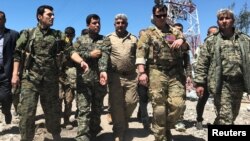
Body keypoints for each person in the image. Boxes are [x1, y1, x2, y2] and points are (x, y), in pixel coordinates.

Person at [11, 5, 88, 141]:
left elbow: (70, 51)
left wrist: (80, 61)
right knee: (27, 114)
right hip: (30, 79)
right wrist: (15, 75)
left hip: (50, 81)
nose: (52, 17)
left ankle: (56, 136)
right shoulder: (28, 33)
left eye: (53, 15)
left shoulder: (59, 35)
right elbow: (17, 54)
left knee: (53, 113)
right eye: (49, 15)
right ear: (40, 17)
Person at [136, 4, 188, 141]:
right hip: (156, 71)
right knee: (159, 108)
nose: (162, 17)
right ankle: (160, 137)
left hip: (174, 72)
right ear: (154, 16)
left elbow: (186, 47)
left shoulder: (175, 31)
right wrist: (142, 73)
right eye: (159, 15)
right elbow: (140, 55)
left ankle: (166, 128)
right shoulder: (148, 33)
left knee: (178, 105)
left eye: (164, 15)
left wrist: (181, 40)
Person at [194, 8, 250, 125]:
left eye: (227, 18)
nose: (224, 21)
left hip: (238, 83)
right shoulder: (212, 40)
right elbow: (202, 63)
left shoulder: (244, 39)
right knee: (226, 119)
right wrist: (200, 83)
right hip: (221, 84)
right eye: (221, 19)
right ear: (217, 22)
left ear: (233, 20)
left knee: (232, 115)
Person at [70, 14, 111, 141]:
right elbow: (72, 53)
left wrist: (103, 71)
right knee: (83, 110)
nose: (97, 25)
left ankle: (94, 132)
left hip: (99, 81)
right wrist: (89, 55)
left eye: (98, 23)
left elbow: (104, 55)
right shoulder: (80, 40)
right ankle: (82, 137)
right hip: (83, 81)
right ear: (88, 25)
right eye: (94, 23)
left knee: (97, 110)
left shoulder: (104, 40)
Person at [107, 13, 138, 141]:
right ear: (114, 24)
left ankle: (123, 121)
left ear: (126, 24)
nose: (120, 25)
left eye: (123, 23)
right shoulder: (108, 38)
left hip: (131, 76)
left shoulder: (134, 39)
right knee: (117, 104)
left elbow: (139, 56)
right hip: (115, 76)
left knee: (131, 102)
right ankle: (119, 130)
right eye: (118, 23)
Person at [194, 25, 218, 130]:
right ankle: (199, 119)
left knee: (220, 102)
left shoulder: (221, 46)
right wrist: (199, 80)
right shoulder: (201, 47)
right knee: (202, 101)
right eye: (210, 33)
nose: (212, 35)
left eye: (215, 33)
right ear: (207, 34)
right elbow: (196, 63)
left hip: (218, 79)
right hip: (204, 79)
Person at [0, 11, 19, 124]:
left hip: (6, 72)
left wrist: (16, 73)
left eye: (0, 18)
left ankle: (7, 111)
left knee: (5, 98)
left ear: (5, 20)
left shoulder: (13, 35)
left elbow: (18, 55)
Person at [172, 22, 192, 132]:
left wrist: (189, 75)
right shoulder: (166, 39)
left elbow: (187, 61)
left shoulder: (184, 44)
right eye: (175, 29)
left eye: (180, 29)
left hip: (180, 75)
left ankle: (179, 120)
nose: (177, 31)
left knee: (181, 99)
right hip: (166, 75)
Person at [59, 26, 76, 130]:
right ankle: (56, 121)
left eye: (70, 35)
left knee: (68, 100)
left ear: (74, 35)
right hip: (58, 76)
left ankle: (66, 120)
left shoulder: (75, 47)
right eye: (67, 34)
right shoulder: (59, 45)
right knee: (58, 99)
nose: (68, 36)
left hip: (70, 77)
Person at [136, 28, 150, 129]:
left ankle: (141, 112)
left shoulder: (152, 47)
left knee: (149, 98)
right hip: (139, 76)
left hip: (153, 76)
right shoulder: (136, 47)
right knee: (143, 96)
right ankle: (144, 117)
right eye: (142, 36)